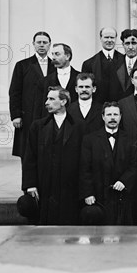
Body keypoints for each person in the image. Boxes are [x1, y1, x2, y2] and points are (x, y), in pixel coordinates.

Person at [21, 86, 86, 224]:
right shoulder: (38, 126)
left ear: (63, 102)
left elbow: (84, 159)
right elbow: (29, 158)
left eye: (51, 99)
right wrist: (30, 184)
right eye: (47, 99)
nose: (46, 102)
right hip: (45, 183)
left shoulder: (79, 126)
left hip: (69, 186)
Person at [79, 102, 137, 225]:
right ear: (103, 117)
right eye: (109, 114)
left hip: (122, 196)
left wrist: (124, 181)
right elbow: (85, 169)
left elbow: (134, 165)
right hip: (99, 196)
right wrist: (88, 193)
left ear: (120, 116)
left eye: (115, 114)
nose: (112, 118)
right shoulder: (90, 139)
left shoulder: (130, 139)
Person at [9, 31, 54, 158]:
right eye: (38, 42)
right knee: (28, 153)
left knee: (48, 153)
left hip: (49, 115)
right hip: (28, 116)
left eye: (44, 42)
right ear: (33, 44)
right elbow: (14, 92)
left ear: (49, 45)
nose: (41, 45)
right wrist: (16, 115)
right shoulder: (22, 65)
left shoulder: (55, 66)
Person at [81, 27, 124, 103]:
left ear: (116, 39)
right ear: (100, 38)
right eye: (106, 37)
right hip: (98, 106)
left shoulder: (125, 60)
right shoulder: (89, 64)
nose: (109, 40)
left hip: (121, 106)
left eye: (112, 37)